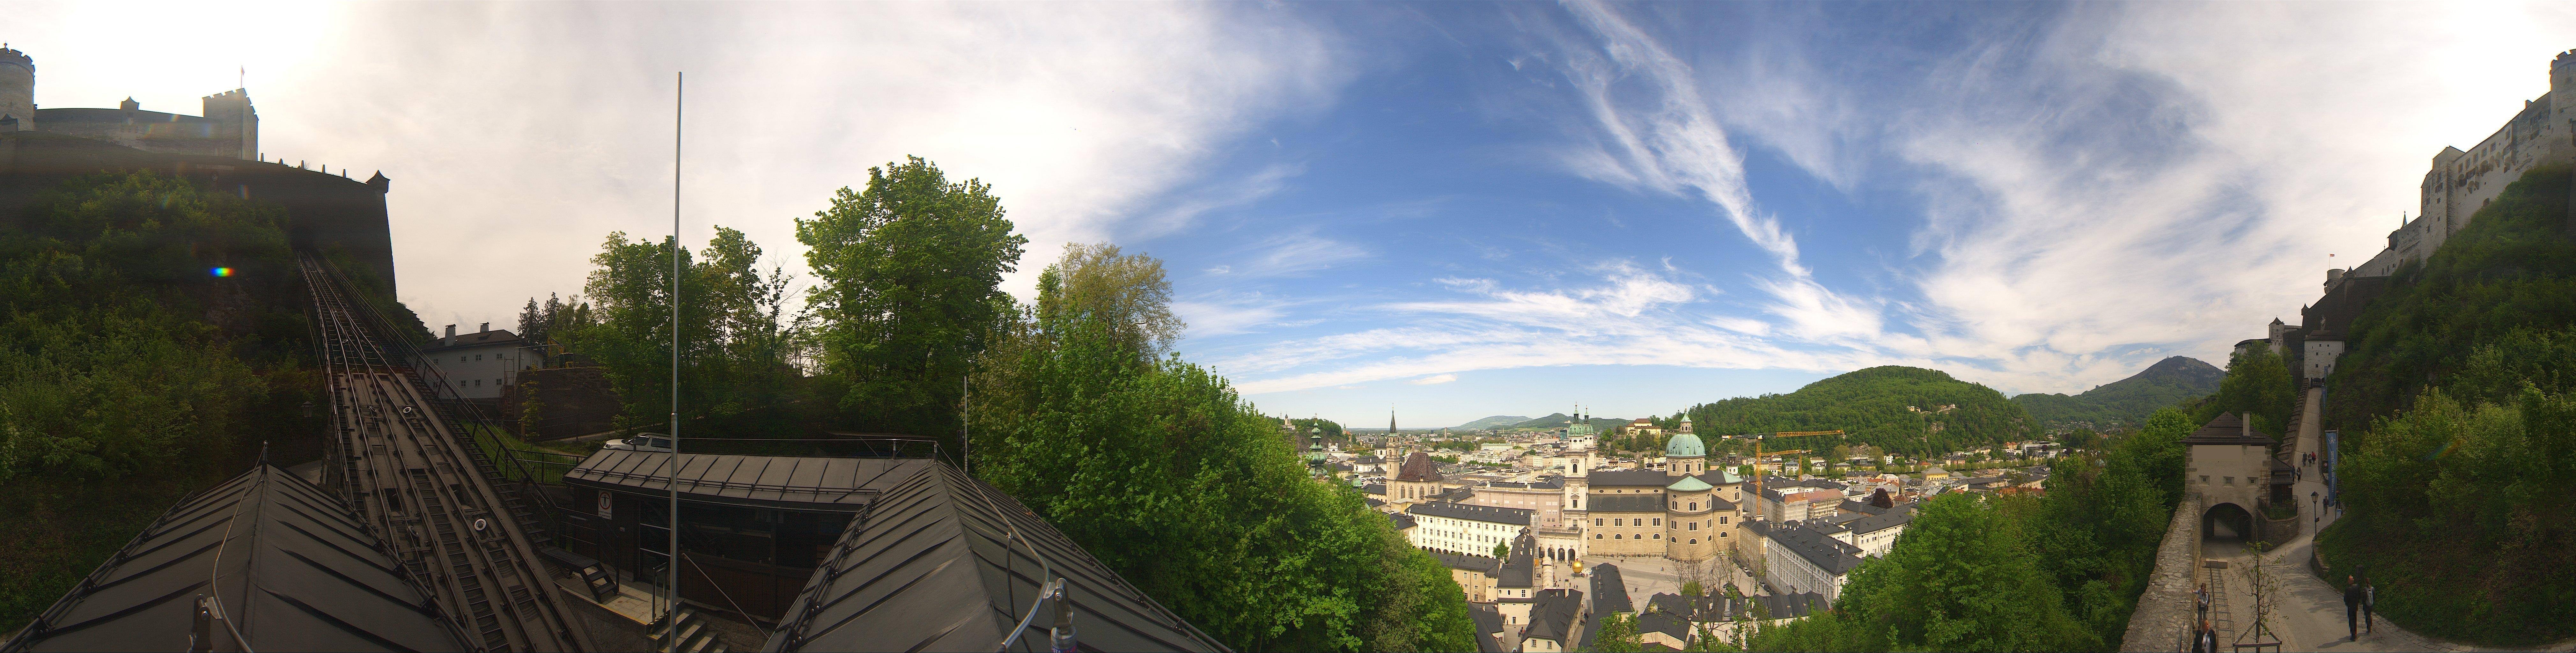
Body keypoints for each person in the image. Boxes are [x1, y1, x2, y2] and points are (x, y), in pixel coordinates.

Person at [2344, 575, 2365, 641]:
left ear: (2349, 581)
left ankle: (2353, 636)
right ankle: (2355, 633)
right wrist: (2357, 602)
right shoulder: (2357, 587)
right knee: (2355, 620)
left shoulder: (2348, 589)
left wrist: (2348, 605)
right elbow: (2359, 596)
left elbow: (2346, 599)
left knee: (2351, 621)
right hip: (2355, 606)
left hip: (2350, 607)